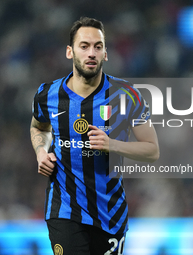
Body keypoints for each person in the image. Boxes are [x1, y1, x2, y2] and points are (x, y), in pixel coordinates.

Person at [30, 17, 159, 255]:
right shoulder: (47, 94)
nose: (91, 52)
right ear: (70, 52)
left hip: (110, 213)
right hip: (65, 210)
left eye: (98, 47)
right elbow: (39, 127)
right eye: (84, 46)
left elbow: (152, 150)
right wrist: (41, 152)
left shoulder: (127, 95)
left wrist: (114, 145)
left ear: (106, 54)